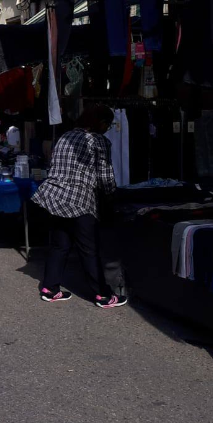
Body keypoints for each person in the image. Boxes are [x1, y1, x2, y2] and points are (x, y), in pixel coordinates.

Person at [31, 104, 127, 309]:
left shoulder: (65, 137)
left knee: (60, 245)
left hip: (55, 196)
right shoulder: (98, 142)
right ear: (100, 123)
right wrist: (112, 197)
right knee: (88, 249)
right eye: (107, 125)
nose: (107, 128)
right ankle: (103, 295)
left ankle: (50, 288)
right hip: (79, 200)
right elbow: (105, 176)